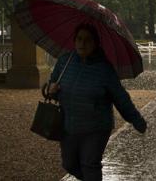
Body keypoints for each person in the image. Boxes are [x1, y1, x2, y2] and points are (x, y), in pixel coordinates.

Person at [48, 23, 147, 181]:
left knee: (90, 164)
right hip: (69, 125)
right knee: (69, 164)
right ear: (74, 41)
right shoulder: (65, 62)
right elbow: (50, 87)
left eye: (88, 40)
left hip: (96, 128)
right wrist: (49, 89)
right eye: (79, 39)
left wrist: (137, 120)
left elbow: (121, 98)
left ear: (95, 43)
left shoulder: (105, 69)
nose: (82, 43)